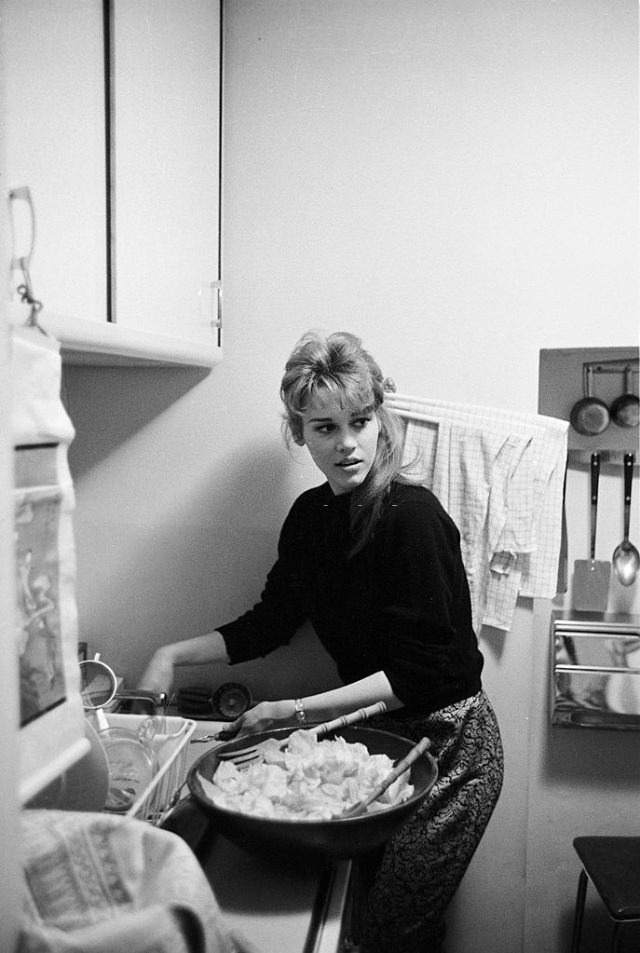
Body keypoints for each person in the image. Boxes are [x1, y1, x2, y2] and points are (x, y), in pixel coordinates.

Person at [139, 330, 504, 953]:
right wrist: (170, 656)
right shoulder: (311, 518)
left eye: (360, 421)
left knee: (392, 928)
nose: (346, 443)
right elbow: (271, 623)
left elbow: (425, 671)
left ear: (380, 420)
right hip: (379, 738)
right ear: (298, 433)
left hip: (449, 747)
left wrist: (293, 711)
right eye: (324, 427)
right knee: (362, 909)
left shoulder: (412, 519)